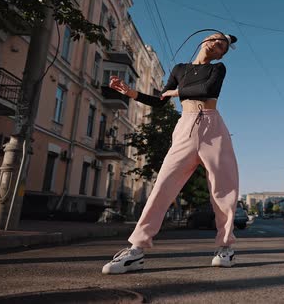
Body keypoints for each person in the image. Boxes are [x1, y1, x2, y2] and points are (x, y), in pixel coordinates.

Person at [102, 32, 239, 274]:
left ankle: (225, 248)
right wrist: (129, 92)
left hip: (213, 127)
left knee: (223, 186)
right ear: (205, 39)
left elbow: (205, 89)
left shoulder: (218, 69)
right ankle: (136, 250)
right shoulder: (179, 69)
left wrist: (174, 92)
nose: (218, 45)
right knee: (163, 185)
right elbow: (158, 100)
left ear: (220, 54)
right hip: (185, 127)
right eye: (216, 40)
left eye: (222, 47)